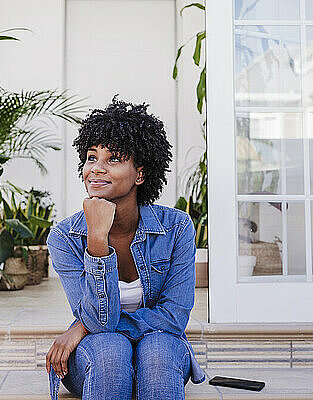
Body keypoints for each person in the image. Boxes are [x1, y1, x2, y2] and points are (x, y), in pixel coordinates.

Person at [45, 96, 206, 400]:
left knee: (156, 350)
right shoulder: (65, 237)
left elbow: (173, 318)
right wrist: (96, 241)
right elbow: (99, 321)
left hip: (160, 352)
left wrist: (80, 327)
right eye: (91, 158)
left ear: (140, 174)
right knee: (111, 350)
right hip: (98, 358)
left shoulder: (177, 228)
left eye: (113, 159)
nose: (96, 169)